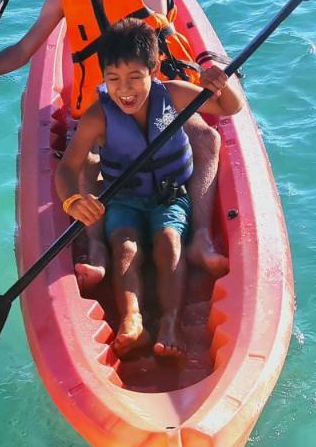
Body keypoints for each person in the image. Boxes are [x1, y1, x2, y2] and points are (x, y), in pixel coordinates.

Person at [0, 0, 232, 287]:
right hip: (103, 108)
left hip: (157, 99)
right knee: (81, 158)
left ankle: (202, 237)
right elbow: (23, 49)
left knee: (206, 139)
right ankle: (97, 247)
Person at [56, 19, 242, 357]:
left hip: (170, 196)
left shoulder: (173, 93)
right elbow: (67, 168)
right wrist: (72, 200)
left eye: (134, 78)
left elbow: (230, 108)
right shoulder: (98, 116)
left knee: (169, 242)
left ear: (153, 70)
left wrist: (221, 85)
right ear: (103, 78)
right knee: (125, 246)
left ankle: (170, 323)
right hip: (123, 199)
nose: (124, 89)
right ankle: (133, 320)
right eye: (113, 80)